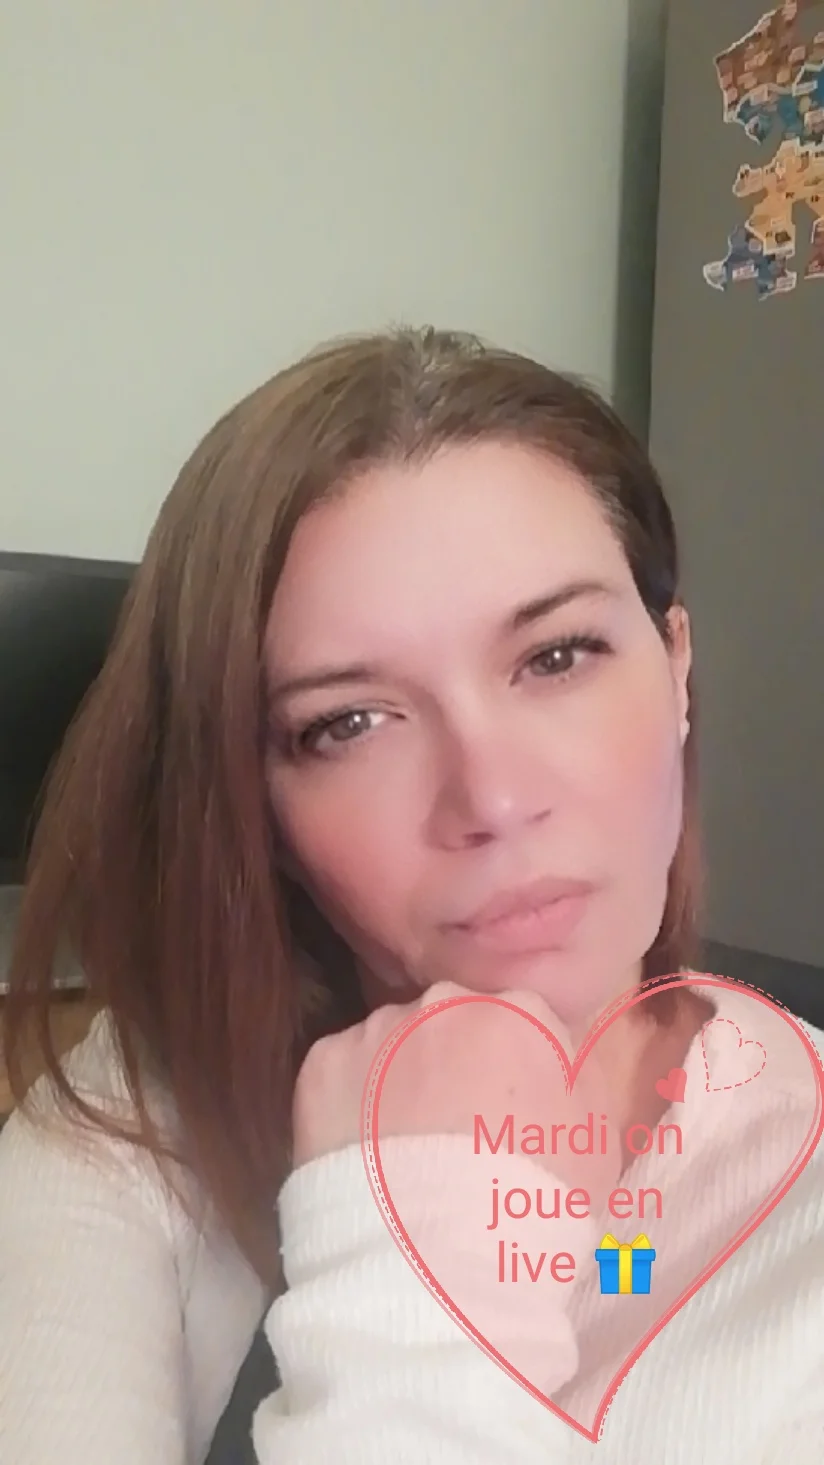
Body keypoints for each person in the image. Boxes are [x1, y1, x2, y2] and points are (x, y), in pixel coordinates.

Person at [1, 327, 822, 1464]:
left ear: (675, 667)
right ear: (257, 804)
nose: (492, 798)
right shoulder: (135, 1118)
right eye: (348, 722)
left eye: (556, 656)